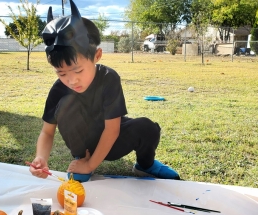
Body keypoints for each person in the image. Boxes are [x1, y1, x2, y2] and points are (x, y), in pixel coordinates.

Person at [29, 0, 180, 182]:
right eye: (61, 73)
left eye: (78, 70)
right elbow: (47, 132)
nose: (71, 80)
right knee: (66, 105)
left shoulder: (109, 78)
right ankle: (81, 159)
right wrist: (41, 158)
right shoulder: (59, 90)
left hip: (112, 141)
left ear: (97, 56)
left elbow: (112, 130)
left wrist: (91, 166)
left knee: (147, 127)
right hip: (85, 145)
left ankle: (145, 165)